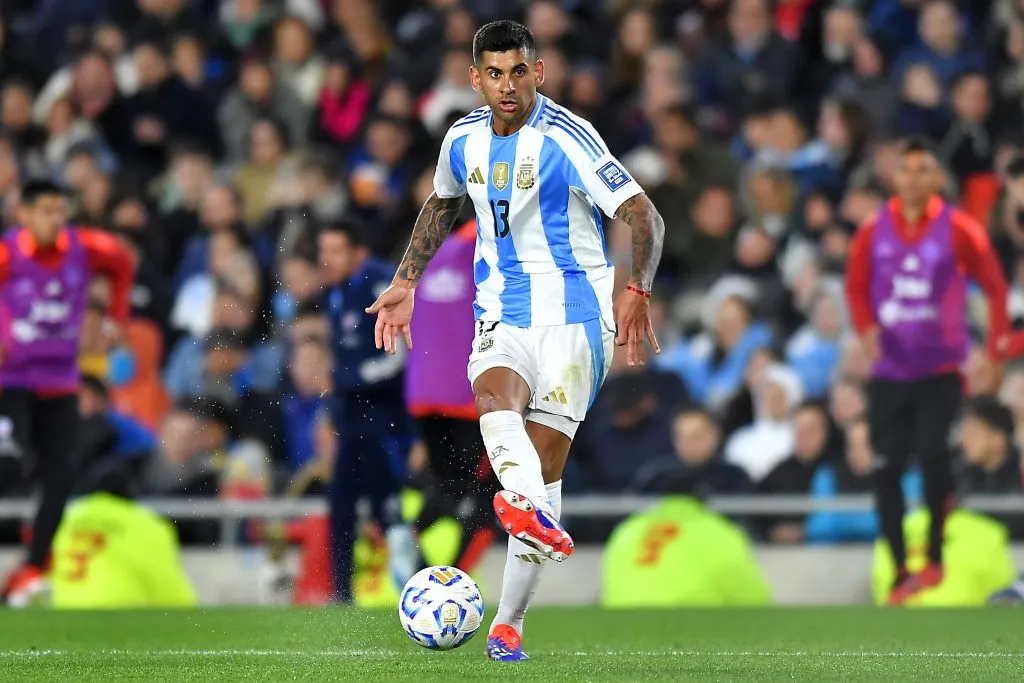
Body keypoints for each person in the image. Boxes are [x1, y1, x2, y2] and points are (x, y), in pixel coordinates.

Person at [367, 21, 664, 661]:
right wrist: (405, 280)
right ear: (475, 78)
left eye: (519, 72)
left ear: (539, 72)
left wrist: (637, 290)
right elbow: (442, 205)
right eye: (494, 74)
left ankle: (508, 622)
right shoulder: (462, 139)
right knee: (494, 402)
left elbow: (645, 215)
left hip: (577, 320)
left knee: (543, 465)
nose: (508, 85)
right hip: (503, 310)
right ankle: (524, 506)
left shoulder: (568, 137)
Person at [844, 137, 1023, 605]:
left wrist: (996, 343)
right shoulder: (871, 231)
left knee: (933, 455)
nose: (915, 178)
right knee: (885, 470)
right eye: (907, 169)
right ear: (895, 176)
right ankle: (902, 567)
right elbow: (856, 287)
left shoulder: (959, 227)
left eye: (924, 169)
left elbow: (995, 283)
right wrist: (865, 330)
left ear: (937, 177)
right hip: (890, 370)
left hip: (941, 367)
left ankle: (936, 558)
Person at [0, 179, 133, 607]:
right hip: (10, 382)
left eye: (61, 211)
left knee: (61, 475)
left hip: (60, 380)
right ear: (23, 214)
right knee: (10, 464)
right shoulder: (7, 254)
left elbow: (123, 262)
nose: (55, 220)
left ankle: (32, 570)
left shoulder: (84, 247)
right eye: (45, 211)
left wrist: (116, 317)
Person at [319, 220, 421, 604]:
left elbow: (399, 355)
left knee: (388, 509)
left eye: (334, 251)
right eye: (323, 251)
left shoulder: (381, 283)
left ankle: (422, 587)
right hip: (351, 417)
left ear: (358, 252)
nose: (325, 259)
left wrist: (354, 376)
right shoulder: (336, 290)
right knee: (342, 504)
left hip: (384, 419)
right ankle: (341, 595)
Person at [404, 218, 497, 570]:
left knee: (448, 487)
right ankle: (455, 580)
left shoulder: (426, 250)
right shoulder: (490, 240)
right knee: (488, 495)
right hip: (469, 396)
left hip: (425, 391)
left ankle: (406, 537)